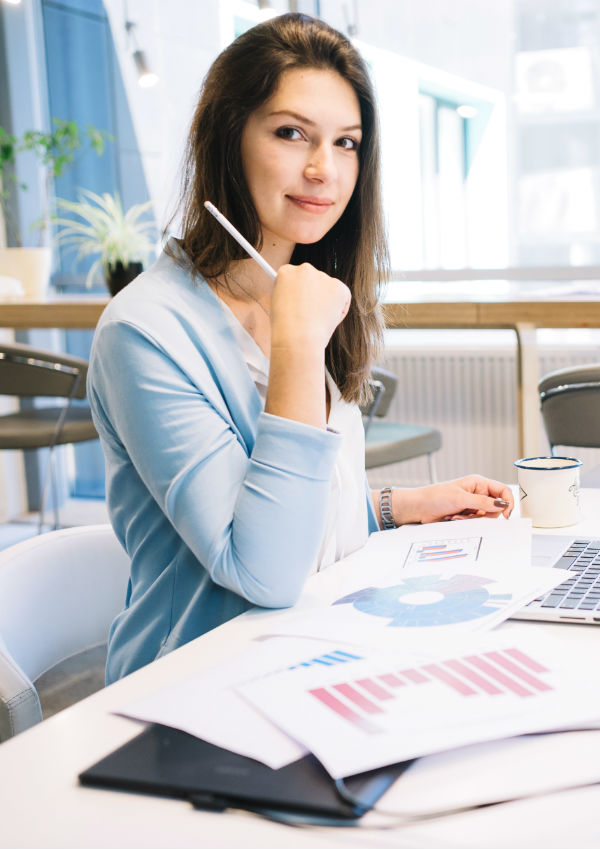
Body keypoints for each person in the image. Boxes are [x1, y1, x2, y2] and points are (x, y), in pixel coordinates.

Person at [88, 13, 513, 685]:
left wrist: (394, 507)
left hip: (316, 651)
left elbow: (298, 516)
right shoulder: (145, 332)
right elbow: (265, 568)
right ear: (229, 139)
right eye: (291, 133)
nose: (324, 169)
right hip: (191, 691)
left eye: (346, 143)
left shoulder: (308, 291)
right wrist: (295, 345)